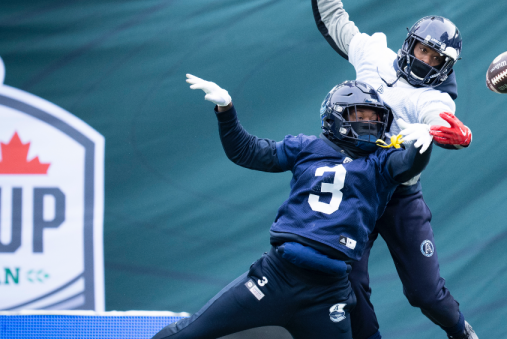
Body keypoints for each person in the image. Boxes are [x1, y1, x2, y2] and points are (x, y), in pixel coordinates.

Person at [152, 75, 434, 339]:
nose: (370, 124)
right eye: (360, 115)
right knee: (188, 333)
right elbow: (247, 151)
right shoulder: (306, 147)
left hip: (328, 291)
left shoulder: (380, 164)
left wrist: (423, 146)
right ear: (336, 115)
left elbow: (407, 163)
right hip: (276, 274)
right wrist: (226, 110)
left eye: (375, 118)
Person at [303, 0, 479, 339]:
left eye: (436, 59)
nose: (426, 61)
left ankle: (464, 334)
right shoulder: (373, 55)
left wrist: (462, 135)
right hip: (355, 186)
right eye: (422, 49)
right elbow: (333, 16)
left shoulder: (433, 98)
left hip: (398, 194)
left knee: (426, 293)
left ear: (447, 68)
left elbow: (443, 121)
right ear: (409, 42)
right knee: (349, 285)